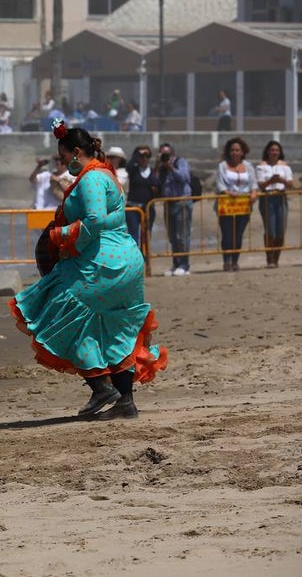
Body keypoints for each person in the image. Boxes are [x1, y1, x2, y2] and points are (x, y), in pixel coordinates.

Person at [10, 120, 167, 421]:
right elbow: (110, 218)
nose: (60, 163)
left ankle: (100, 386)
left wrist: (60, 236)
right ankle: (125, 402)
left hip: (105, 262)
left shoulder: (92, 179)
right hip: (126, 260)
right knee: (114, 327)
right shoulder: (105, 175)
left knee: (54, 310)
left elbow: (94, 221)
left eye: (62, 157)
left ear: (76, 152)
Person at [214, 137, 257, 272]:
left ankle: (235, 261)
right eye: (232, 150)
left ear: (242, 152)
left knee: (238, 234)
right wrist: (228, 192)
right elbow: (220, 184)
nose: (235, 153)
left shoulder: (248, 166)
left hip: (243, 205)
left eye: (237, 150)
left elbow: (253, 183)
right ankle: (226, 260)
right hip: (227, 204)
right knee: (227, 234)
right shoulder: (222, 166)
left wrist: (254, 193)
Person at [255, 140, 294, 267]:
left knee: (281, 230)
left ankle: (276, 257)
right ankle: (269, 257)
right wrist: (271, 180)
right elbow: (260, 185)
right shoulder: (262, 165)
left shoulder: (285, 166)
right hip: (267, 197)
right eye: (272, 150)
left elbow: (290, 184)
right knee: (270, 230)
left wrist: (281, 180)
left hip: (281, 197)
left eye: (277, 150)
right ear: (267, 151)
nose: (274, 152)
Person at [157, 142, 193, 276]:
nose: (165, 157)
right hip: (168, 203)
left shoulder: (181, 162)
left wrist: (170, 167)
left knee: (182, 236)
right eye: (162, 154)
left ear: (173, 153)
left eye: (167, 154)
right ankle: (176, 263)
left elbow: (184, 178)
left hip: (182, 202)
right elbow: (156, 182)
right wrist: (158, 166)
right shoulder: (161, 167)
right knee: (172, 236)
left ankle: (184, 265)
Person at [123, 145, 159, 251]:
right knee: (133, 235)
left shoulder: (152, 171)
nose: (144, 158)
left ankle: (146, 260)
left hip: (147, 208)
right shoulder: (133, 170)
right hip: (133, 208)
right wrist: (137, 154)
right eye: (141, 156)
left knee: (147, 235)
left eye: (147, 156)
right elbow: (128, 166)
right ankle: (135, 259)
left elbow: (157, 184)